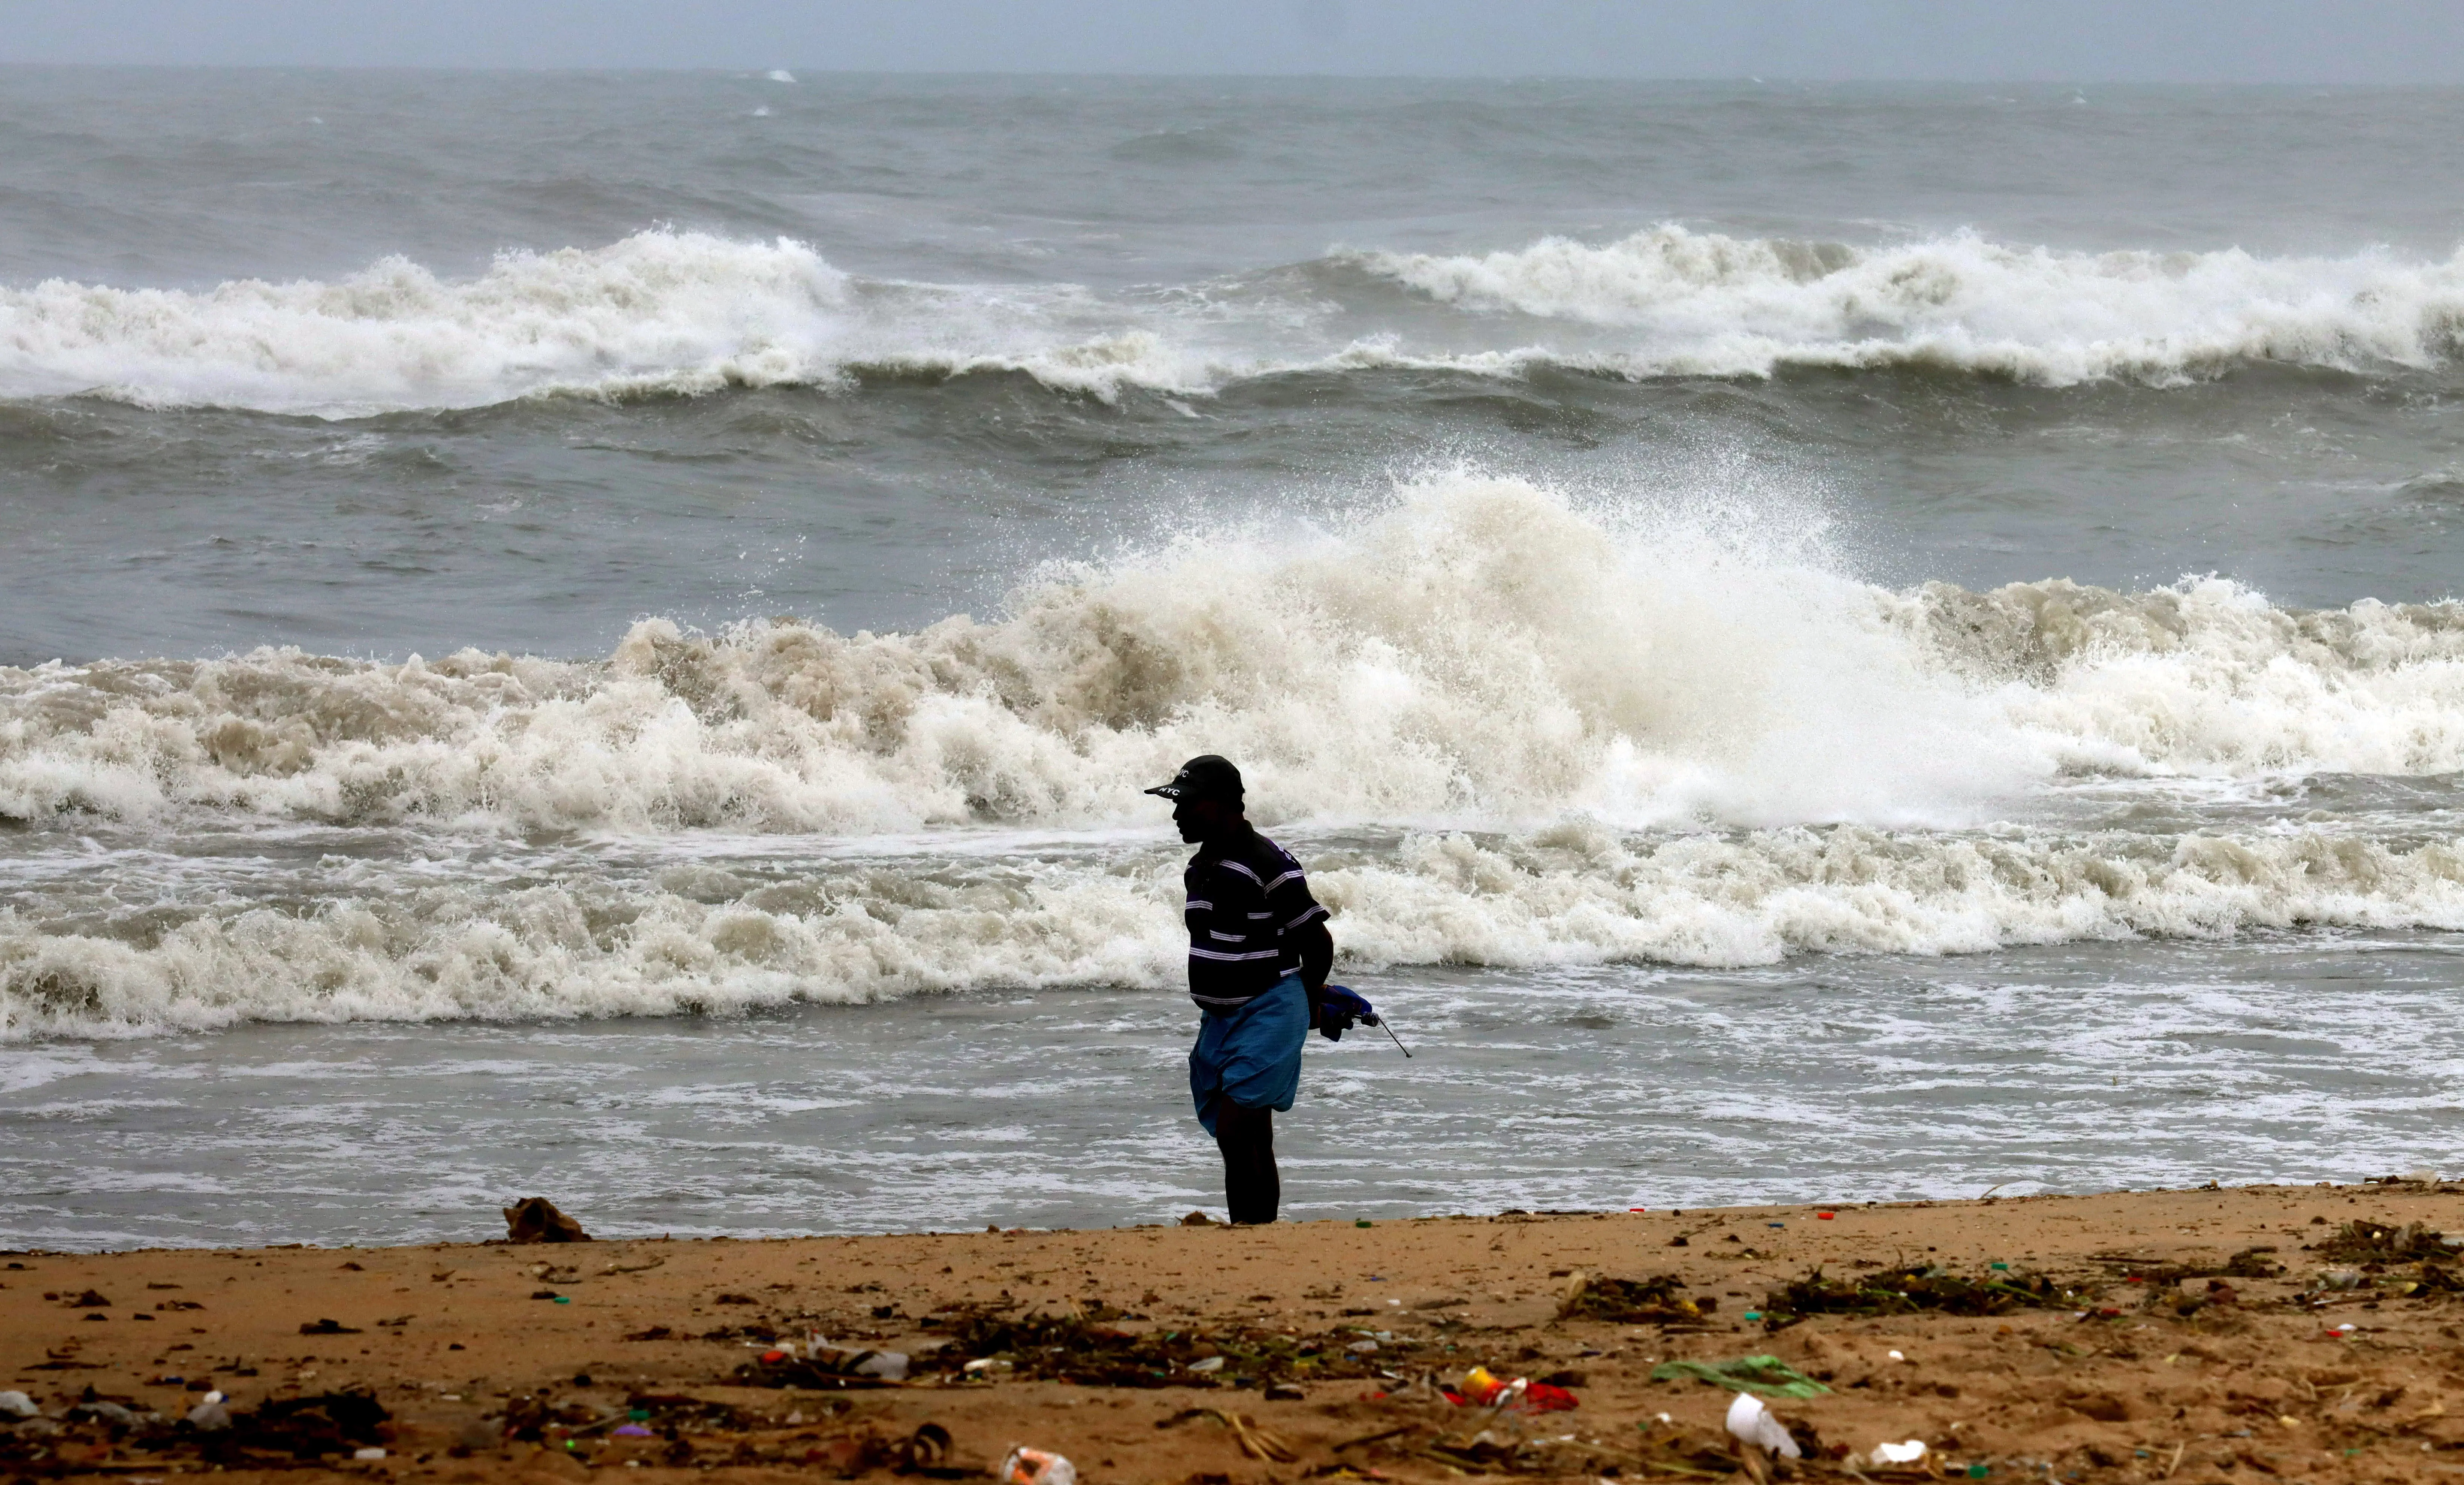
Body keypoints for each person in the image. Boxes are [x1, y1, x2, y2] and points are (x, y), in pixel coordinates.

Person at [1145, 754, 1333, 1225]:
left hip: (1271, 1008)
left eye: (1187, 805)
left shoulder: (1268, 863)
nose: (1177, 816)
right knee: (1250, 1138)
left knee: (1235, 1130)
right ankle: (1254, 1233)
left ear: (1225, 804)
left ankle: (1252, 1228)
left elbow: (1317, 939)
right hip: (1222, 1019)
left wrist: (1309, 999)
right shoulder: (1201, 867)